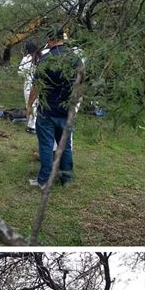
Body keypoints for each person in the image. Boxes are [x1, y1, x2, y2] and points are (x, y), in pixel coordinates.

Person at [27, 27, 84, 189]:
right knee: (65, 145)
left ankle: (44, 181)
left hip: (48, 111)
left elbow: (37, 86)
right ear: (63, 39)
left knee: (46, 145)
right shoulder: (76, 59)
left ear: (50, 40)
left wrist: (29, 105)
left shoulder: (46, 59)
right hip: (67, 110)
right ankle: (66, 179)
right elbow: (81, 84)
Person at [18, 41, 39, 133]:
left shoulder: (31, 58)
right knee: (33, 104)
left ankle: (33, 126)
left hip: (32, 83)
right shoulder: (38, 57)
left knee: (32, 104)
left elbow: (20, 72)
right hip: (33, 83)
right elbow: (20, 71)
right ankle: (31, 124)